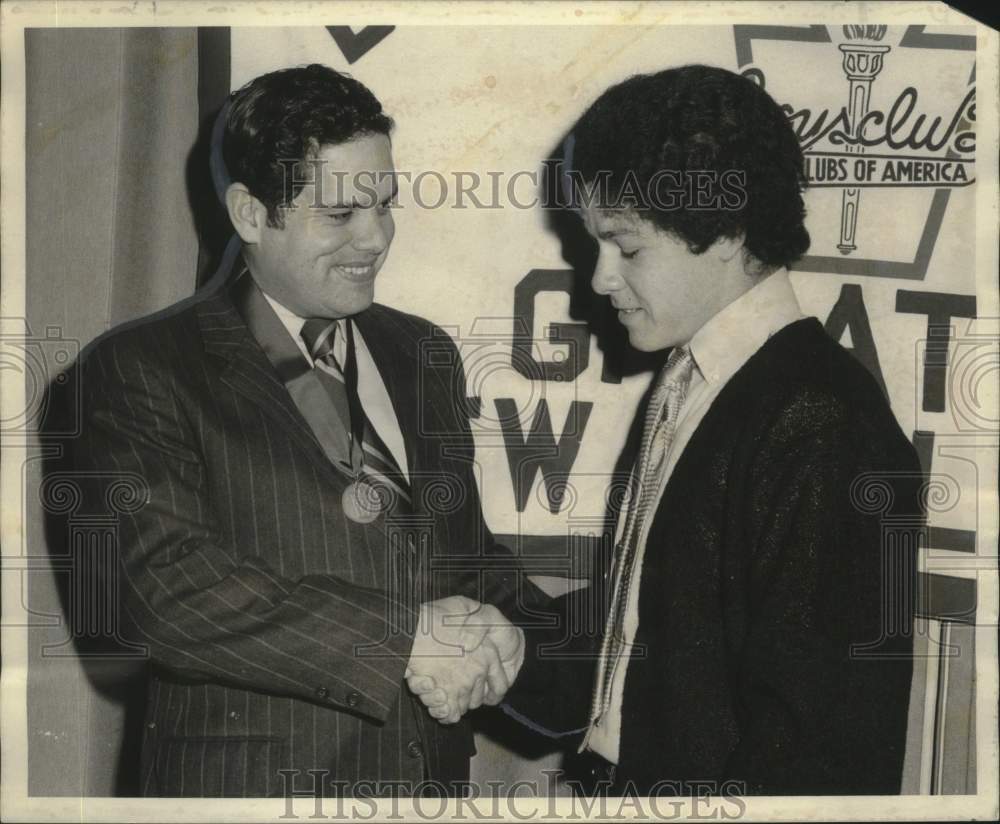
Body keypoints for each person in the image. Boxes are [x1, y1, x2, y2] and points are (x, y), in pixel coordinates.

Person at [409, 64, 923, 796]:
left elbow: (821, 756)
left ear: (726, 231)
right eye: (594, 243)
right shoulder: (690, 385)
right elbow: (653, 636)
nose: (600, 278)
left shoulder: (823, 422)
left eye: (627, 245)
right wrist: (518, 651)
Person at [75, 64, 531, 798]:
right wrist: (405, 641)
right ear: (251, 214)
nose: (376, 238)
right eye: (340, 215)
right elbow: (165, 592)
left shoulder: (424, 353)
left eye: (384, 203)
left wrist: (538, 647)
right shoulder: (142, 368)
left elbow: (460, 558)